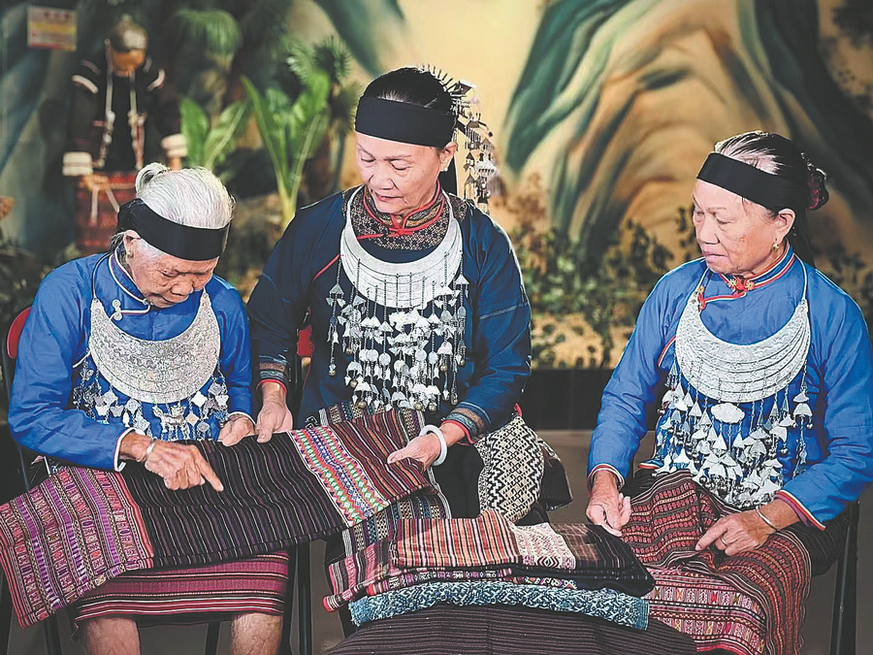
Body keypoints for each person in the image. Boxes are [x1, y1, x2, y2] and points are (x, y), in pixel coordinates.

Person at [586, 131, 873, 654]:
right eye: (698, 213)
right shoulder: (676, 292)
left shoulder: (833, 315)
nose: (704, 232)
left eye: (722, 219)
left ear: (781, 223)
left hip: (786, 513)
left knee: (736, 604)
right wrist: (605, 482)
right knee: (610, 586)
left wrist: (765, 520)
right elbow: (626, 398)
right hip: (674, 491)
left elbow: (855, 453)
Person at [9, 164, 285, 655]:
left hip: (200, 476)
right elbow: (32, 417)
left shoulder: (221, 301)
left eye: (202, 273)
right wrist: (142, 448)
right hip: (101, 478)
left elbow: (240, 385)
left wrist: (241, 418)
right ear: (131, 243)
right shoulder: (71, 292)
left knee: (268, 549)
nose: (184, 289)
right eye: (171, 272)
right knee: (102, 564)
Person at [247, 66, 536, 513]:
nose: (380, 179)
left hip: (451, 439)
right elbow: (269, 323)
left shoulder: (483, 244)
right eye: (367, 158)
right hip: (342, 439)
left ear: (445, 155)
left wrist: (442, 437)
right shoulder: (317, 229)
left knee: (483, 528)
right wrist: (274, 398)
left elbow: (506, 366)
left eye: (399, 165)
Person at [63, 17, 186, 252]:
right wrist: (84, 173)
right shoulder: (91, 72)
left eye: (134, 64)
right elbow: (79, 120)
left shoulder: (148, 72)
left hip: (135, 165)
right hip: (97, 170)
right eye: (124, 64)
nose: (130, 70)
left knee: (136, 239)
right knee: (96, 241)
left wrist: (174, 159)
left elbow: (168, 110)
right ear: (111, 49)